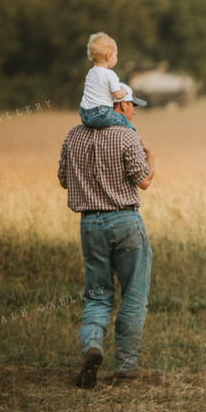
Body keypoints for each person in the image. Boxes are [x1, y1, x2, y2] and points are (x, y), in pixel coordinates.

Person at [57, 84, 162, 388]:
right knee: (134, 292)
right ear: (118, 106)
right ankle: (127, 366)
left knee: (97, 296)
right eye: (131, 105)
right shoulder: (127, 134)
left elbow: (64, 180)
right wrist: (151, 157)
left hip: (89, 224)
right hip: (125, 221)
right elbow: (144, 181)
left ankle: (92, 346)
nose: (133, 110)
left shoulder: (73, 135)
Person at [79, 32, 134, 131]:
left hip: (84, 115)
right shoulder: (110, 74)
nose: (116, 58)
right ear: (108, 56)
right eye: (116, 55)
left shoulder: (90, 73)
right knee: (124, 121)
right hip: (101, 114)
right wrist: (124, 91)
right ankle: (135, 140)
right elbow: (117, 95)